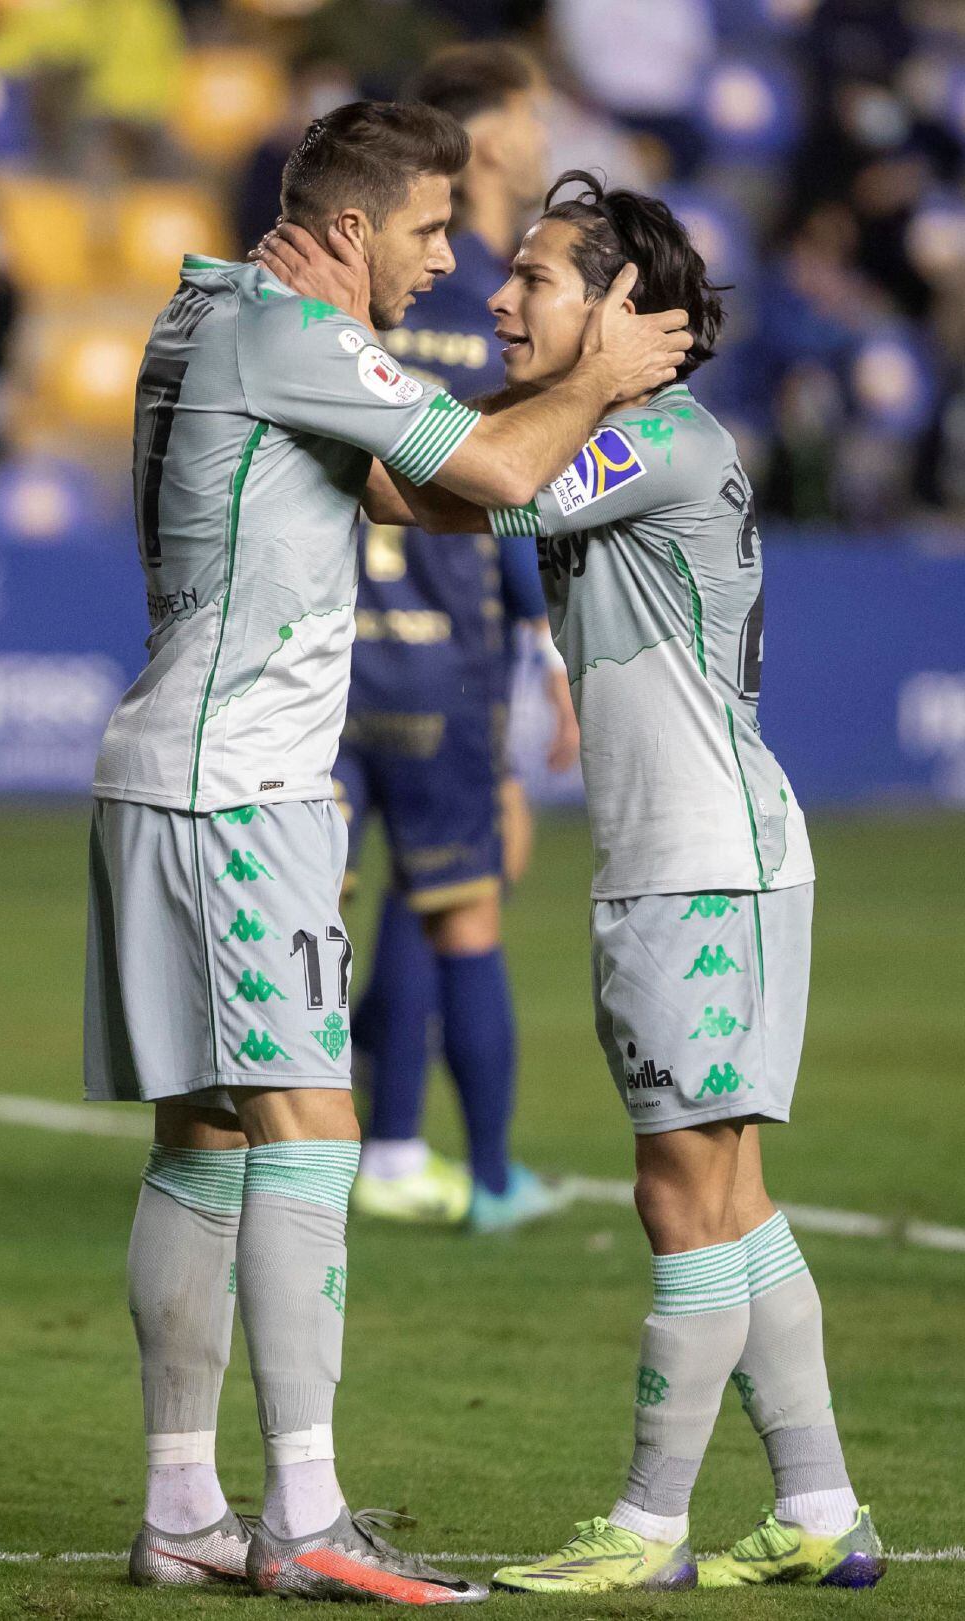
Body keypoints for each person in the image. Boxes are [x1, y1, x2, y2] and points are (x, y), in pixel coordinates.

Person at [84, 99, 692, 1598]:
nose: (444, 262)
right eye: (430, 228)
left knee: (209, 1139)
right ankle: (304, 1514)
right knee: (311, 1131)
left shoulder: (217, 317)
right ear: (352, 227)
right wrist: (606, 376)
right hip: (241, 791)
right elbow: (480, 471)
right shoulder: (294, 329)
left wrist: (541, 450)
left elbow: (413, 490)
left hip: (174, 770)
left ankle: (180, 1509)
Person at [268, 168, 884, 1592]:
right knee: (731, 1194)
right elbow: (466, 454)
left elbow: (435, 489)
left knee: (680, 1193)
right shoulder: (619, 433)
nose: (498, 293)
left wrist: (308, 377)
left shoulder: (651, 438)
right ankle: (823, 1503)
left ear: (620, 309)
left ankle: (650, 1525)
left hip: (698, 864)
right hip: (708, 853)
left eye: (536, 277)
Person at [337, 44, 578, 1233]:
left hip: (327, 653)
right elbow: (520, 494)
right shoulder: (502, 303)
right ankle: (482, 1175)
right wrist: (551, 650)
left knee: (308, 919)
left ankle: (340, 1151)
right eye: (531, 119)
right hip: (446, 655)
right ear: (488, 140)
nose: (544, 138)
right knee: (462, 902)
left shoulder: (357, 310)